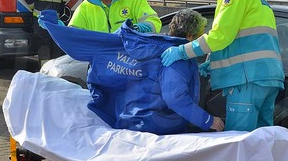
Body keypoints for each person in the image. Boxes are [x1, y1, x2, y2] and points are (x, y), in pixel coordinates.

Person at [39, 9, 224, 134]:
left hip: (132, 118)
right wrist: (208, 121)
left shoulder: (149, 47)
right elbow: (175, 97)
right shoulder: (177, 60)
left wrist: (55, 28)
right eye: (200, 34)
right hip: (159, 127)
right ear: (190, 36)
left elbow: (89, 41)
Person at [161, 0, 284, 131]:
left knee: (238, 141)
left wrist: (182, 51)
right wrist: (213, 63)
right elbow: (242, 40)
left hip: (246, 80)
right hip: (269, 77)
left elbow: (220, 36)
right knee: (261, 140)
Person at [23, 0, 73, 64]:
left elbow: (62, 1)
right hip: (41, 21)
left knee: (56, 45)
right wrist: (34, 9)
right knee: (43, 45)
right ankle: (44, 70)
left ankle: (54, 70)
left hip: (54, 21)